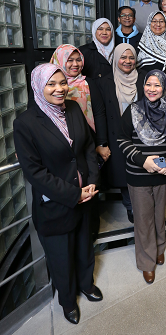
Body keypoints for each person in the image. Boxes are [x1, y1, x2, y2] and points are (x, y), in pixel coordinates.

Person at [13, 64, 102, 325]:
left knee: (85, 246)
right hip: (56, 204)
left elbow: (87, 146)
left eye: (62, 82)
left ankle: (87, 285)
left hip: (86, 195)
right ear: (39, 86)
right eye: (51, 84)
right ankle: (68, 301)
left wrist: (93, 182)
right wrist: (74, 194)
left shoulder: (73, 108)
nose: (60, 89)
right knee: (61, 256)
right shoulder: (26, 123)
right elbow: (35, 173)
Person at [118, 70, 166, 284]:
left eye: (157, 85)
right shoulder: (133, 110)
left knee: (158, 215)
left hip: (163, 173)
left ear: (164, 87)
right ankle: (147, 261)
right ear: (143, 86)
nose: (152, 89)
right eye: (148, 84)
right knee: (143, 219)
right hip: (138, 174)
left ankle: (159, 247)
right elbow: (122, 139)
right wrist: (142, 160)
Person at [50, 44, 110, 237]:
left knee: (90, 182)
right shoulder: (47, 84)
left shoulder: (89, 82)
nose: (75, 64)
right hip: (61, 146)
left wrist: (101, 143)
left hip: (88, 143)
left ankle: (90, 229)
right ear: (60, 60)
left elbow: (100, 113)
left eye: (78, 60)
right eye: (70, 60)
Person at [97, 43, 146, 223]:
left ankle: (142, 204)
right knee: (123, 171)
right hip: (117, 134)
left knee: (141, 169)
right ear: (116, 59)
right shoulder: (105, 82)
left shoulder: (144, 79)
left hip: (141, 135)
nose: (127, 61)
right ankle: (130, 206)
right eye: (123, 57)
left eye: (131, 57)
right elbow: (100, 113)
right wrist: (102, 142)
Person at [137, 10, 166, 104]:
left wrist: (165, 92)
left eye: (161, 21)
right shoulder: (139, 45)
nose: (158, 24)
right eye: (154, 21)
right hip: (143, 98)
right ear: (149, 23)